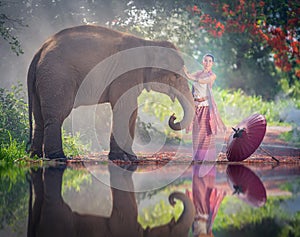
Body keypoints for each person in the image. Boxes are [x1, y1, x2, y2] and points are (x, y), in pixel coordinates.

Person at [185, 53, 226, 162]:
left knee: (205, 133)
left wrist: (190, 77)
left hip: (205, 107)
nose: (207, 63)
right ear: (202, 62)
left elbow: (203, 81)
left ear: (212, 64)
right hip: (195, 107)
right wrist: (183, 69)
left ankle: (206, 158)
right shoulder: (198, 73)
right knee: (196, 133)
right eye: (205, 60)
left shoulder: (212, 76)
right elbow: (188, 75)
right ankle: (197, 158)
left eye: (209, 61)